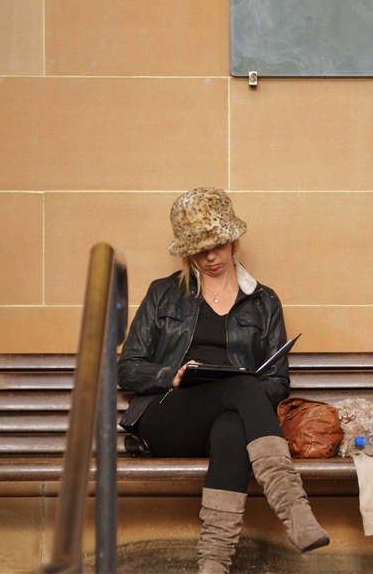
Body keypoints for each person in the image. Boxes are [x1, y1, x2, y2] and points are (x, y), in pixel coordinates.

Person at [117, 187, 329, 574]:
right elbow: (127, 368)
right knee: (243, 386)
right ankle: (294, 508)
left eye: (216, 245)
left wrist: (242, 391)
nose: (210, 257)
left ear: (233, 240)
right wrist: (173, 376)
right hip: (168, 416)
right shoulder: (164, 295)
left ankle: (213, 564)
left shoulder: (264, 302)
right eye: (199, 249)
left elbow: (278, 382)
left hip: (228, 418)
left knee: (233, 426)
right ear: (187, 251)